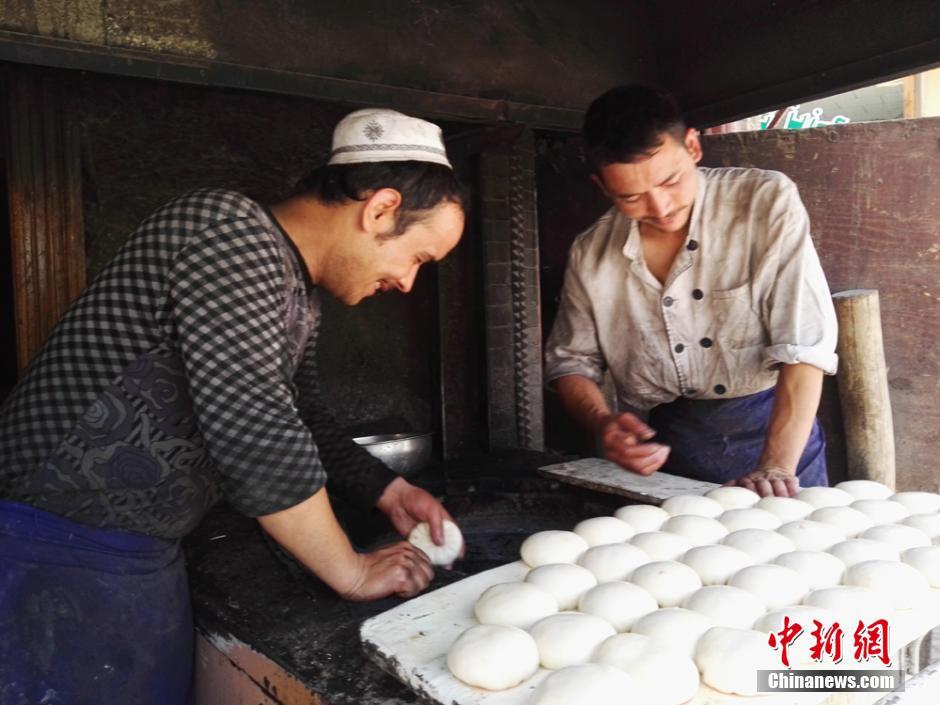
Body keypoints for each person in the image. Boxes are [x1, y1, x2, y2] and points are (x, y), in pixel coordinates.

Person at [0, 108, 466, 704]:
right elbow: (257, 428)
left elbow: (300, 414)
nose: (407, 283)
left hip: (142, 555)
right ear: (379, 210)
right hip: (51, 543)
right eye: (419, 259)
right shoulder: (225, 231)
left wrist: (386, 490)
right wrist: (350, 570)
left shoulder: (295, 290)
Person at [545, 85, 838, 499]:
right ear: (601, 187)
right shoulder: (591, 253)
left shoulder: (764, 202)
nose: (661, 207)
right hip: (668, 448)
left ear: (693, 146)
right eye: (631, 197)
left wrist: (775, 465)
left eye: (671, 181)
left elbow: (805, 345)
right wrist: (602, 422)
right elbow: (570, 362)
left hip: (777, 431)